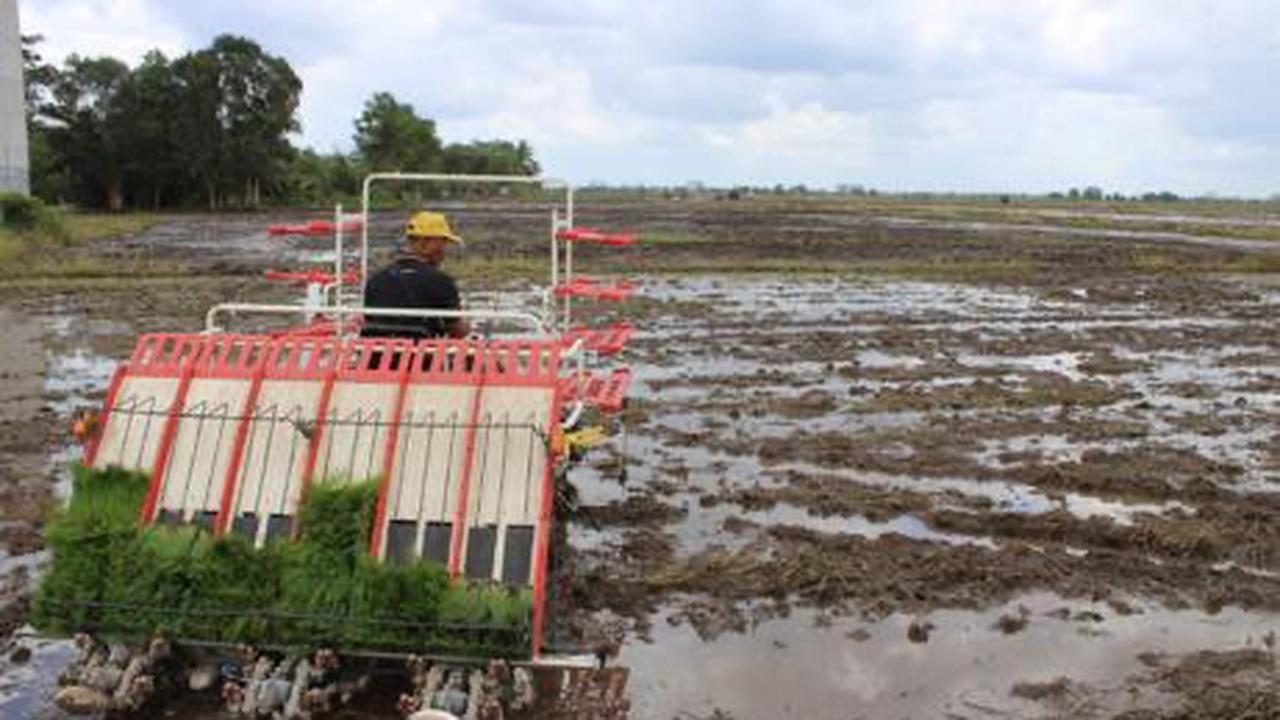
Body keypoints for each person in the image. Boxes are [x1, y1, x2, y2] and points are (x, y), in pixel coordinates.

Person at [362, 211, 470, 339]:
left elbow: (369, 321)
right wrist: (468, 327)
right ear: (424, 243)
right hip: (423, 350)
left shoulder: (375, 280)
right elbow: (456, 331)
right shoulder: (441, 282)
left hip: (379, 351)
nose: (443, 251)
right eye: (442, 243)